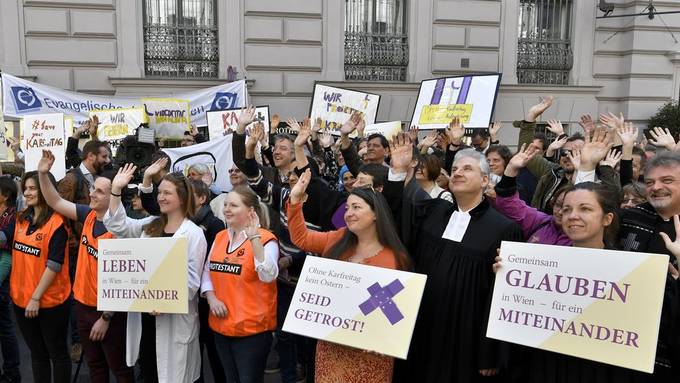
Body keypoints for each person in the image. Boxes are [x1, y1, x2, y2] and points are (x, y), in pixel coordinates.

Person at [387, 131, 523, 382]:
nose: (458, 172)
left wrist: (489, 352)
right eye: (456, 168)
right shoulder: (434, 211)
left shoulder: (504, 228)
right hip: (421, 326)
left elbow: (501, 296)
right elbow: (394, 218)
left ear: (484, 180)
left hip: (464, 338)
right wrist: (397, 171)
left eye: (467, 169)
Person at [496, 182, 647, 382]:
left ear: (607, 218)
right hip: (543, 367)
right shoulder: (539, 265)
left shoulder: (629, 273)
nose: (572, 215)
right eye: (566, 209)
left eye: (585, 209)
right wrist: (509, 276)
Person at [287, 169, 410, 383]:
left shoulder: (394, 259)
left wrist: (388, 341)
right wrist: (295, 199)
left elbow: (397, 315)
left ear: (375, 214)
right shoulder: (337, 239)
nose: (349, 213)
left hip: (371, 354)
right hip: (331, 349)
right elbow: (301, 237)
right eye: (347, 208)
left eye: (356, 207)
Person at [104, 164, 207, 383]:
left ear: (182, 198)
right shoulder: (151, 224)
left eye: (167, 193)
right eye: (160, 192)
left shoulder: (194, 234)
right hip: (146, 319)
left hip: (173, 319)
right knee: (149, 370)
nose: (160, 197)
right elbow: (118, 226)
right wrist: (116, 190)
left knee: (174, 375)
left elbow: (191, 283)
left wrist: (164, 302)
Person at [37, 150, 134, 382]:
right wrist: (43, 174)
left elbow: (126, 278)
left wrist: (107, 317)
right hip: (82, 305)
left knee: (119, 368)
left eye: (99, 191)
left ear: (113, 196)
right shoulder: (89, 215)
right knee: (95, 366)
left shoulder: (123, 230)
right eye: (93, 188)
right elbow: (54, 201)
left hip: (108, 312)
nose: (91, 194)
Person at [201, 186, 279, 383]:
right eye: (226, 204)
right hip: (221, 327)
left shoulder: (266, 239)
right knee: (231, 379)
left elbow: (268, 275)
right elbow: (207, 272)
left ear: (250, 211)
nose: (227, 209)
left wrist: (254, 238)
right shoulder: (220, 237)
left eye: (234, 205)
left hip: (252, 331)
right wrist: (211, 298)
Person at [0, 171, 71, 383]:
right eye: (26, 188)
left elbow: (54, 265)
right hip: (22, 300)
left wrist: (36, 297)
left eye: (33, 188)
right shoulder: (21, 218)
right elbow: (3, 237)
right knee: (37, 354)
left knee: (57, 354)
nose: (27, 192)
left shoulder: (57, 222)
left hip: (50, 301)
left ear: (45, 190)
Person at [618, 151, 680, 379]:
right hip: (621, 337)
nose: (656, 187)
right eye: (650, 182)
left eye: (667, 180)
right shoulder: (628, 217)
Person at [0, 177, 20, 383]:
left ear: (5, 195)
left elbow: (4, 238)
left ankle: (12, 371)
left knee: (5, 327)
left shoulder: (13, 215)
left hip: (4, 274)